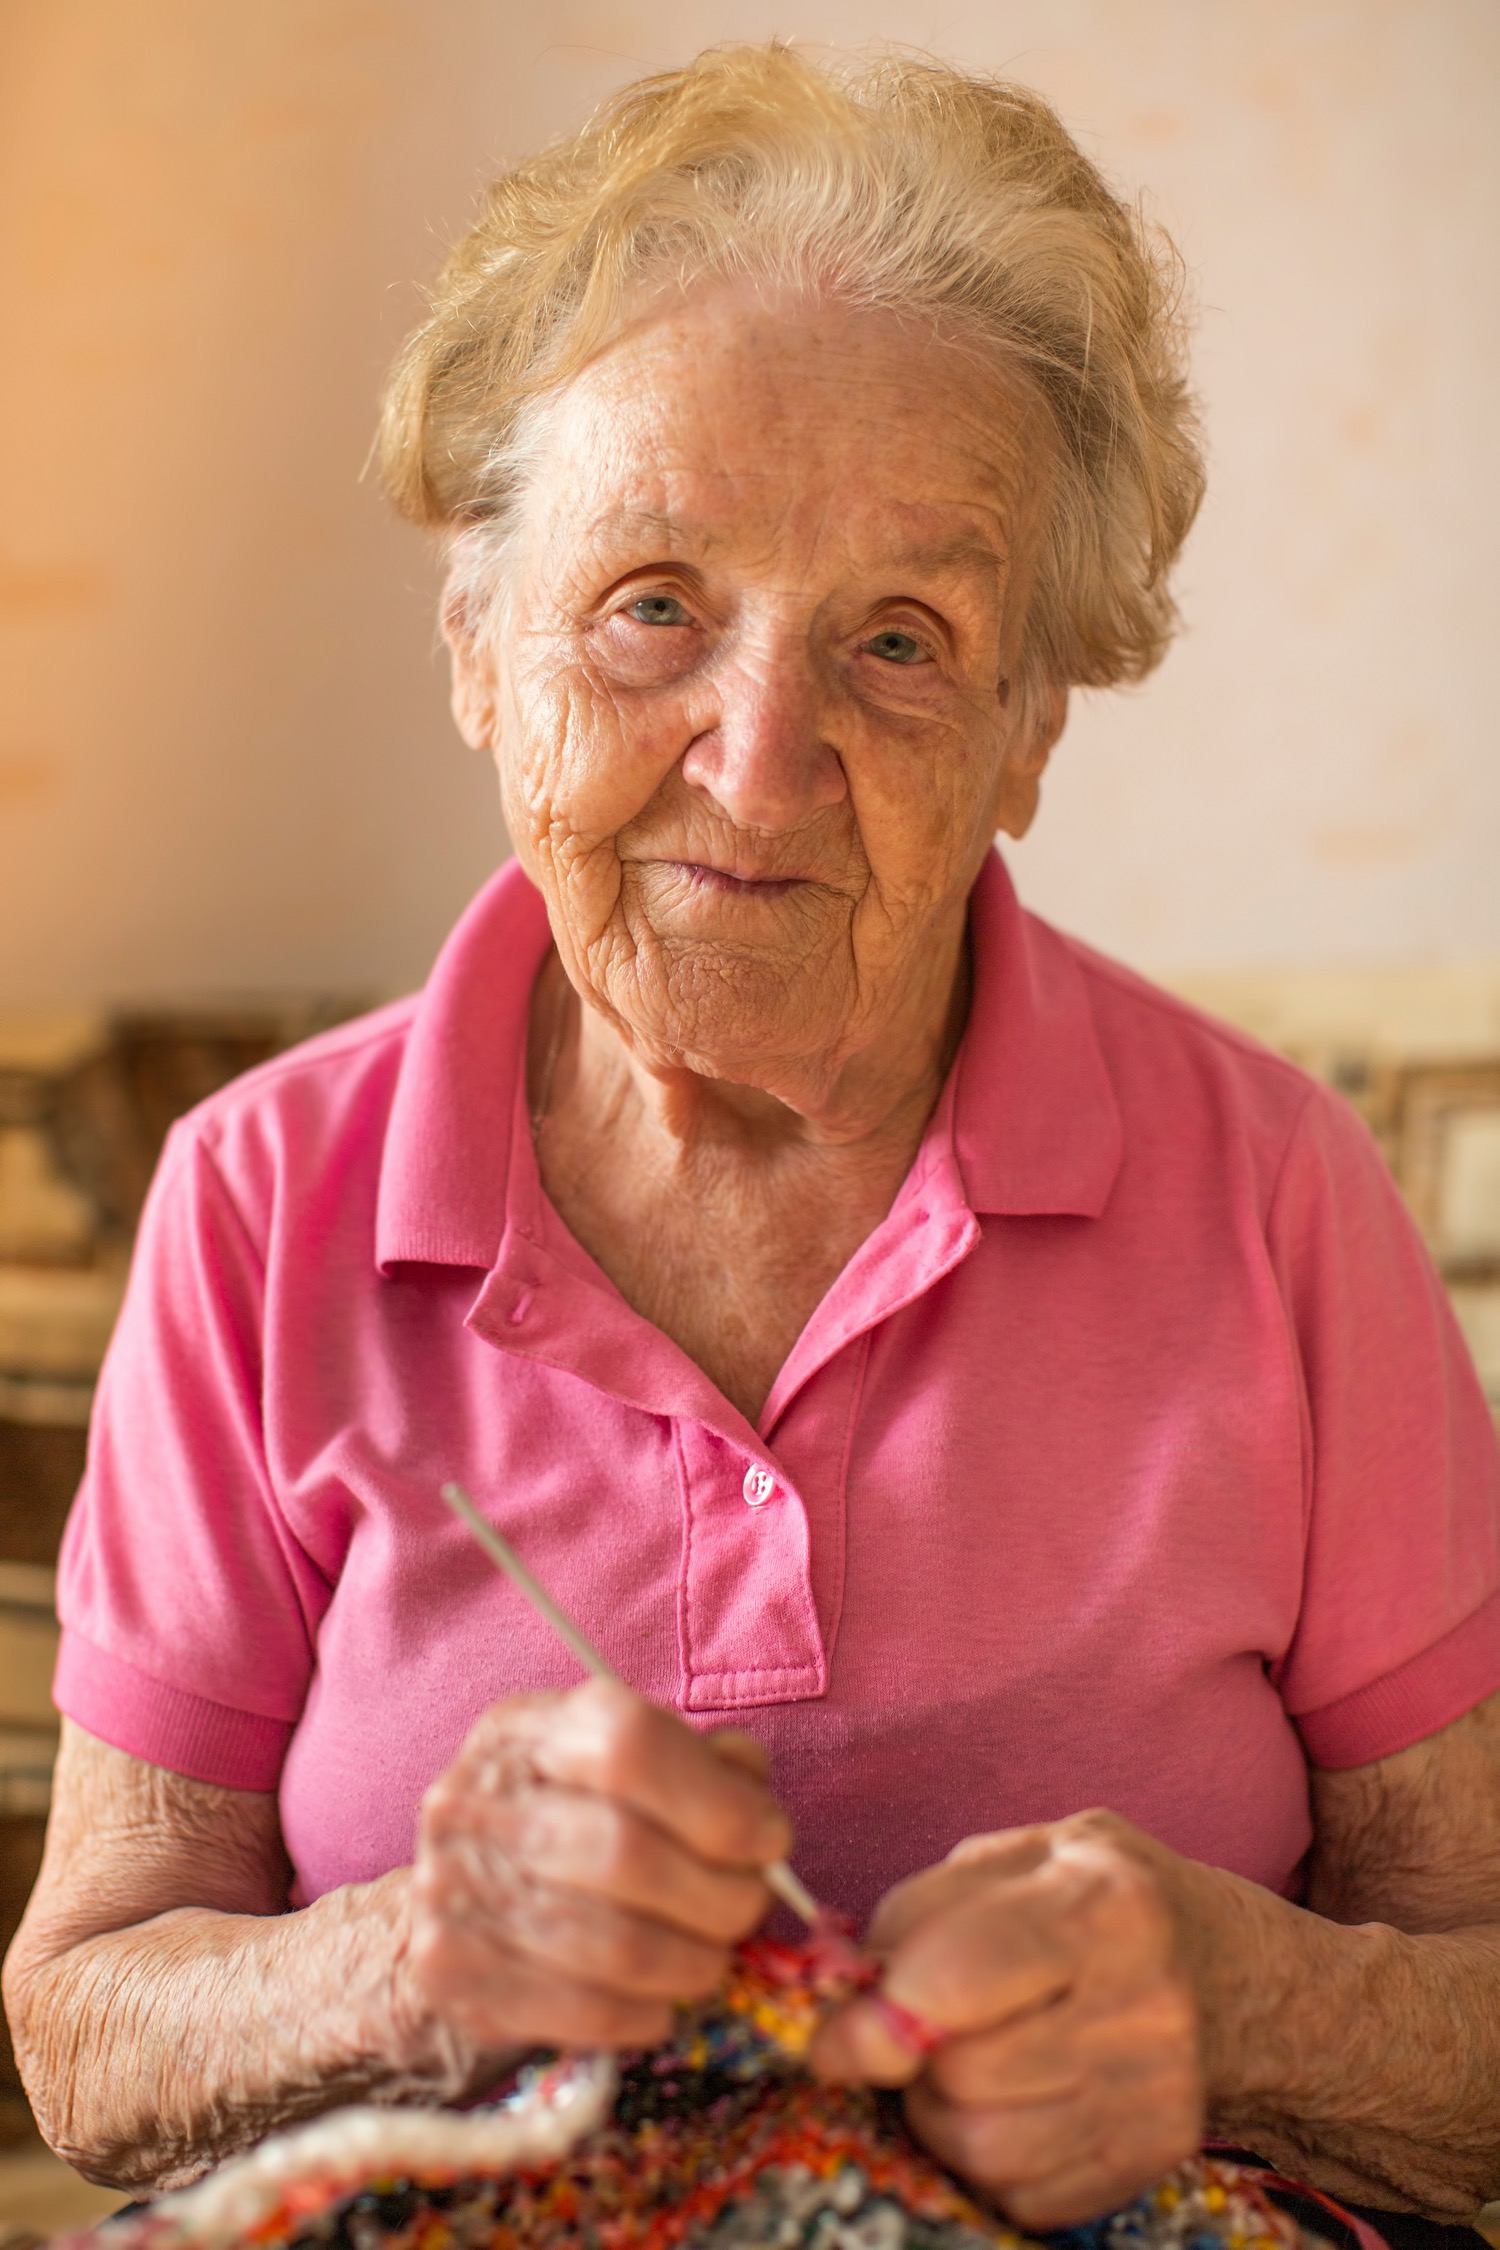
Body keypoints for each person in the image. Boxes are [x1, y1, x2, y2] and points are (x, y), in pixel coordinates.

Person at [7, 43, 1500, 2236]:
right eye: (653, 607)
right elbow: (84, 2032)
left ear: (1027, 736)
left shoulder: (1283, 1200)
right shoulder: (255, 1201)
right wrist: (417, 1961)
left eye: (902, 643)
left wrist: (1245, 2009)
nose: (760, 758)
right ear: (477, 652)